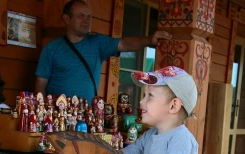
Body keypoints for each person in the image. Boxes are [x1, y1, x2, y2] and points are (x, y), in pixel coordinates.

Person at [35, 0, 172, 102]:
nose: (86, 20)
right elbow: (41, 83)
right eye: (81, 16)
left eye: (89, 17)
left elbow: (124, 44)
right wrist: (40, 110)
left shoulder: (98, 43)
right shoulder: (51, 49)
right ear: (66, 18)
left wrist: (149, 40)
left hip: (87, 116)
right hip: (56, 116)